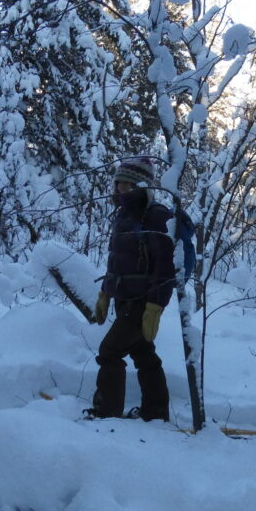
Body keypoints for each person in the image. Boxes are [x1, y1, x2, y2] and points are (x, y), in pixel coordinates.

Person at [86, 156, 176, 421]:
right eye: (119, 185)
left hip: (142, 301)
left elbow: (165, 267)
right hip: (124, 298)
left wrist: (155, 305)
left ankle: (106, 413)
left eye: (128, 185)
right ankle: (156, 412)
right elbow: (117, 260)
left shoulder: (157, 216)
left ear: (143, 186)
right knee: (142, 353)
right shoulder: (124, 215)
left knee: (109, 352)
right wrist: (105, 292)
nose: (121, 190)